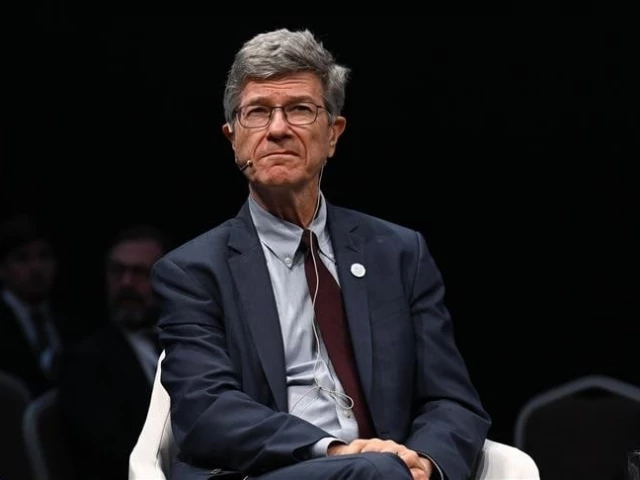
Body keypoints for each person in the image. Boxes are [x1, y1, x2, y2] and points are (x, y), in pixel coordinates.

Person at [152, 28, 491, 480]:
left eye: (299, 109)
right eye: (257, 112)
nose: (277, 129)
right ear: (233, 138)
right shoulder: (191, 271)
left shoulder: (398, 253)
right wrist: (338, 452)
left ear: (333, 133)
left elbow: (451, 400)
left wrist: (422, 464)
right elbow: (206, 411)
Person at [58, 224, 171, 480]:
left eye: (139, 272)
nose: (126, 283)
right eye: (117, 271)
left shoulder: (184, 336)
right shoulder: (84, 360)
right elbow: (113, 453)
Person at [0, 214, 80, 396]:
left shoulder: (72, 325)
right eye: (22, 258)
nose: (36, 268)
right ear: (2, 269)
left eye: (44, 256)